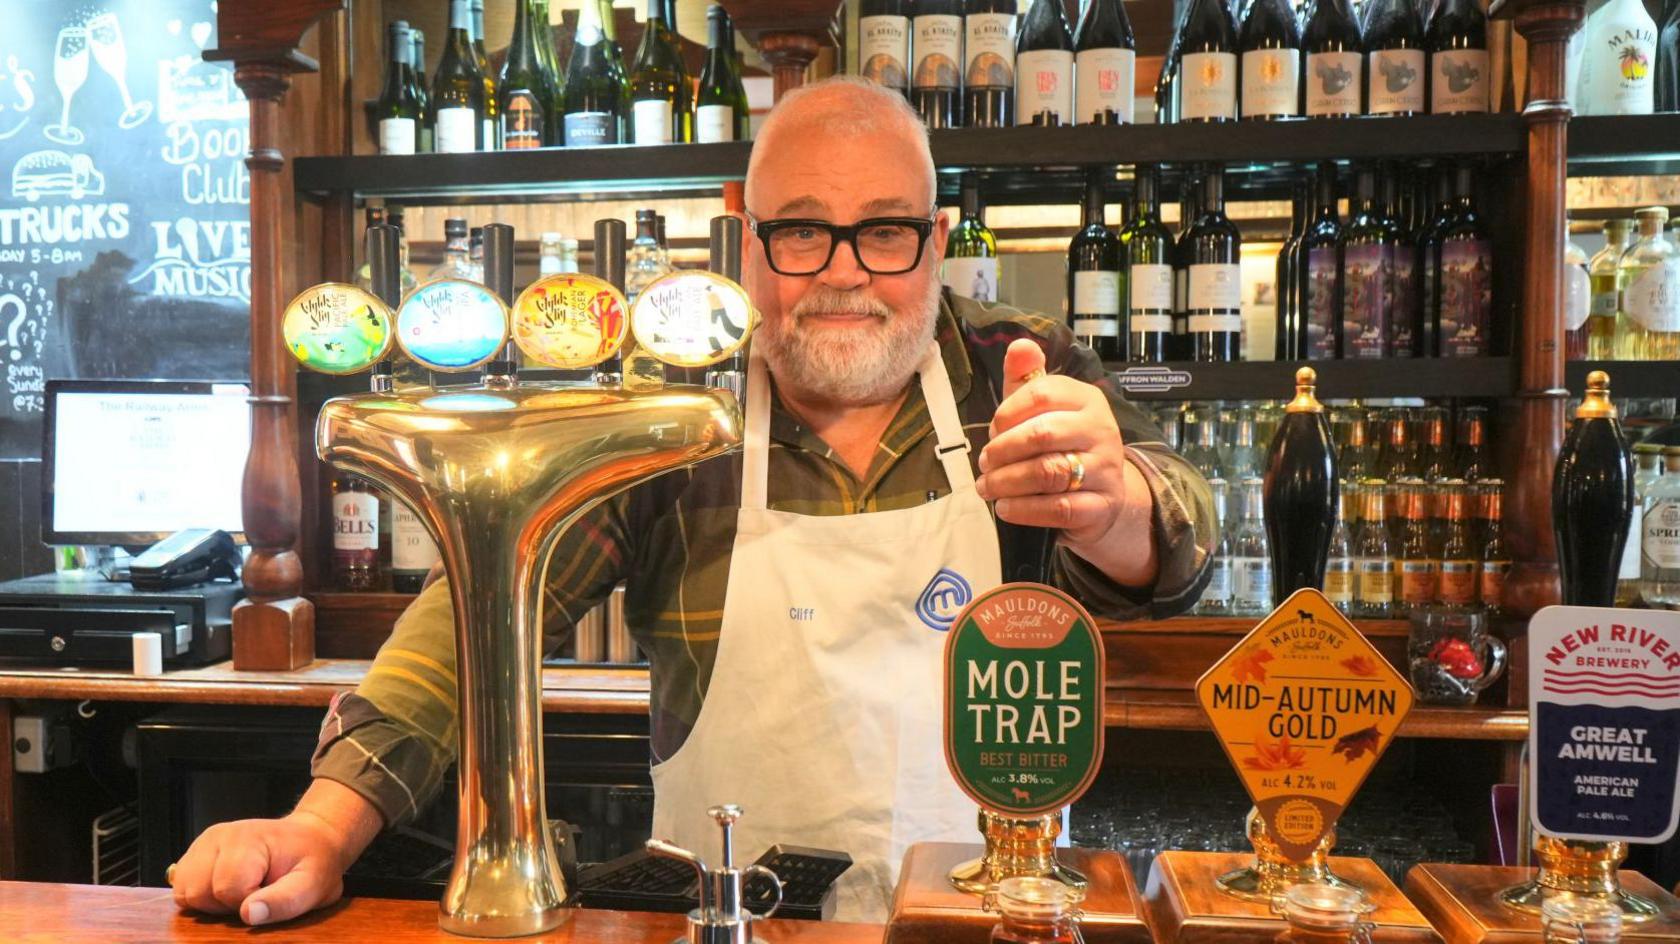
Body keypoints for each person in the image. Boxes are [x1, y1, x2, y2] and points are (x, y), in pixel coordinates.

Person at [170, 76, 1216, 926]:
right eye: (801, 231)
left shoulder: (1020, 372)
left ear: (937, 236)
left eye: (886, 232)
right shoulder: (669, 415)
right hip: (722, 920)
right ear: (741, 229)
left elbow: (1181, 535)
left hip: (997, 914)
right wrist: (323, 822)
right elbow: (483, 609)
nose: (844, 275)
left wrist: (1114, 501)